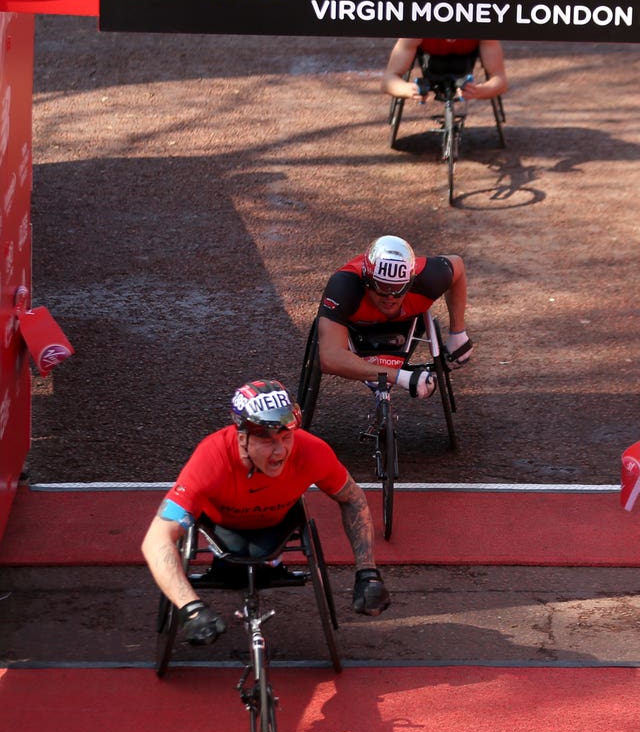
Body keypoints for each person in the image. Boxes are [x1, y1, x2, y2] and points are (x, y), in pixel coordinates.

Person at [141, 379, 390, 645]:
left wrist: (367, 572)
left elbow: (353, 499)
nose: (280, 451)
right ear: (242, 438)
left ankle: (267, 563)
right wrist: (189, 607)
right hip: (221, 530)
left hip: (277, 528)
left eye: (286, 437)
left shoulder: (311, 451)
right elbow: (156, 540)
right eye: (268, 441)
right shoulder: (211, 459)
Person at [317, 235, 471, 399]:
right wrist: (398, 376)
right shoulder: (344, 286)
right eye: (382, 287)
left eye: (398, 289)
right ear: (367, 280)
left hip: (406, 322)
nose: (390, 297)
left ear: (411, 281)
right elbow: (329, 358)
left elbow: (457, 265)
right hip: (357, 328)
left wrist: (458, 333)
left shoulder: (430, 277)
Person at [381, 38, 508, 111]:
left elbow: (500, 80)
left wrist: (479, 91)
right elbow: (388, 80)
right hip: (431, 60)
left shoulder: (482, 24)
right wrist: (408, 90)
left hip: (465, 60)